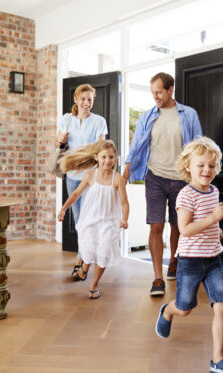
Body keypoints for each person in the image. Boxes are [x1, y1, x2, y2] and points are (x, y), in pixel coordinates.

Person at [155, 137, 223, 373]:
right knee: (185, 308)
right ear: (188, 167)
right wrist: (213, 219)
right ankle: (167, 311)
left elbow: (205, 222)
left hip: (213, 260)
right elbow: (185, 229)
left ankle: (218, 360)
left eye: (211, 166)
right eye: (201, 165)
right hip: (191, 262)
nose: (207, 170)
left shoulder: (213, 191)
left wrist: (216, 230)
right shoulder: (186, 195)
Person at [123, 72, 202, 296]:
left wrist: (198, 176)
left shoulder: (188, 114)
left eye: (159, 92)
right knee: (156, 225)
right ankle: (158, 277)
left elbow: (198, 145)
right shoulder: (147, 116)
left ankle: (174, 261)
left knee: (178, 226)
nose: (155, 96)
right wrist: (127, 169)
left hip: (181, 179)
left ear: (170, 90)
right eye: (153, 93)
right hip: (155, 177)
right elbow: (137, 144)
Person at [57, 140, 129, 299]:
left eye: (111, 157)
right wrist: (63, 209)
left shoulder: (117, 179)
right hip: (90, 219)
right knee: (88, 247)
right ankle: (84, 267)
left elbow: (124, 202)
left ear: (115, 157)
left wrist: (124, 219)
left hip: (109, 222)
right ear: (96, 157)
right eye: (103, 157)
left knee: (103, 253)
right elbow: (76, 194)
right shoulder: (90, 176)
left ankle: (94, 285)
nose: (107, 161)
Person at [56, 84, 108, 281]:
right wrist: (61, 139)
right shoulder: (66, 119)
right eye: (84, 99)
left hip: (90, 177)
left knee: (87, 220)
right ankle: (84, 256)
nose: (87, 103)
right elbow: (58, 144)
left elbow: (101, 147)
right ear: (76, 99)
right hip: (71, 175)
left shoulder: (99, 121)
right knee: (79, 221)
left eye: (90, 100)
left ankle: (81, 261)